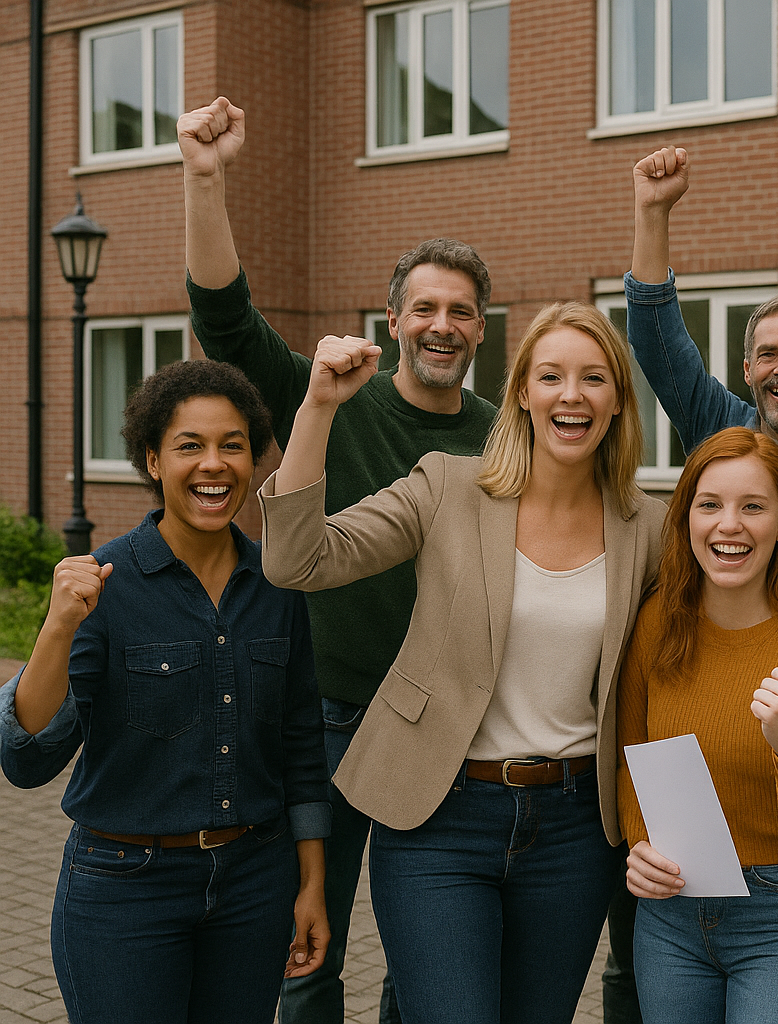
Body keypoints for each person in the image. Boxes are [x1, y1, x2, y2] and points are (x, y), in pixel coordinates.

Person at [179, 95, 498, 1024]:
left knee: (427, 950)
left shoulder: (505, 439)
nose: (443, 325)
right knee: (305, 950)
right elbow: (225, 320)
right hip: (320, 720)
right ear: (392, 319)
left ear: (481, 330)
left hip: (442, 731)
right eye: (425, 308)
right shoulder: (332, 395)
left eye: (463, 313)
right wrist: (206, 177)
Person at [258, 302, 666, 1024]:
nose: (571, 394)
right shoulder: (447, 486)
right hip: (439, 816)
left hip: (575, 829)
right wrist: (317, 408)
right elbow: (297, 559)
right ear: (521, 395)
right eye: (551, 376)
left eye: (594, 378)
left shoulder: (649, 526)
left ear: (617, 402)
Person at [0, 360, 329, 1024]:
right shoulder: (106, 587)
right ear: (153, 460)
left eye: (231, 445)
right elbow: (26, 757)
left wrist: (313, 884)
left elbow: (301, 747)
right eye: (190, 446)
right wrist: (59, 626)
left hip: (254, 886)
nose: (215, 464)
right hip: (125, 889)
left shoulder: (278, 586)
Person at [617, 427, 778, 1024]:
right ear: (686, 520)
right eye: (710, 505)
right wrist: (637, 842)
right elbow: (631, 757)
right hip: (670, 914)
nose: (730, 525)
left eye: (753, 506)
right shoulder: (656, 623)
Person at [626, 145, 778, 610]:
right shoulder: (718, 426)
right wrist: (653, 211)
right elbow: (657, 342)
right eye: (768, 354)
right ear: (748, 370)